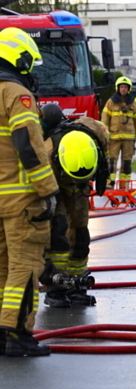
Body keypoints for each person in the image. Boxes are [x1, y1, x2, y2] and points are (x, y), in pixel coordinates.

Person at [0, 27, 59, 357]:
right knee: (25, 265)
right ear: (18, 59)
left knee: (1, 267)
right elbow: (29, 145)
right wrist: (48, 190)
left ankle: (1, 331)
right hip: (21, 199)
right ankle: (18, 332)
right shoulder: (16, 93)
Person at [39, 103, 110, 308]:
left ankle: (77, 284)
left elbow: (106, 143)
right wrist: (48, 201)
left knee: (80, 233)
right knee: (58, 232)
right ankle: (56, 288)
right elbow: (39, 184)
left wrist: (103, 173)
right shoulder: (47, 153)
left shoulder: (94, 132)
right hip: (55, 187)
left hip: (79, 187)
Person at [101, 76, 136, 183]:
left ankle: (125, 185)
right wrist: (104, 136)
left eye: (125, 87)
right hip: (113, 138)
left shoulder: (133, 103)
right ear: (118, 88)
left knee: (127, 163)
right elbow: (105, 120)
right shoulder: (111, 102)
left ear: (129, 88)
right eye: (122, 87)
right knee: (111, 162)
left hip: (128, 139)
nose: (123, 89)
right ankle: (110, 184)